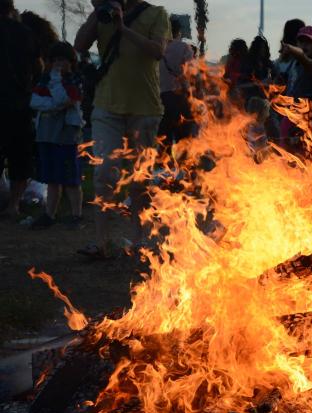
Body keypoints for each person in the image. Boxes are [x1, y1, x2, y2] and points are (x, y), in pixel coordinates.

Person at [74, 0, 171, 259]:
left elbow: (157, 51)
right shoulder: (103, 14)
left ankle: (141, 241)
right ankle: (101, 242)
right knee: (105, 172)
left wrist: (123, 27)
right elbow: (80, 45)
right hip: (107, 105)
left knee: (141, 179)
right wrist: (98, 12)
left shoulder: (156, 13)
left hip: (146, 108)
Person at [29, 41, 84, 229]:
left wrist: (55, 81)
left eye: (64, 60)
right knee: (51, 178)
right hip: (46, 134)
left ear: (71, 61)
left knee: (70, 178)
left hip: (66, 136)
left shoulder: (75, 80)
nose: (60, 64)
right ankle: (49, 214)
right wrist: (53, 106)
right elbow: (35, 101)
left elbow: (66, 99)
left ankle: (76, 215)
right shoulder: (43, 80)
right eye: (56, 60)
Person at [0, 0, 40, 219]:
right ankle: (13, 205)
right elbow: (37, 65)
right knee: (20, 157)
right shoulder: (24, 32)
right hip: (19, 101)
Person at [158, 16, 194, 144]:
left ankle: (164, 162)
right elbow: (190, 72)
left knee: (163, 136)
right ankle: (182, 162)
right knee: (184, 138)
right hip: (181, 98)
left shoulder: (157, 48)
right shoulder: (185, 48)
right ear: (179, 31)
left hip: (161, 97)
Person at [240, 35, 275, 100]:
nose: (263, 50)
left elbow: (275, 79)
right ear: (256, 49)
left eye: (264, 48)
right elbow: (241, 85)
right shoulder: (248, 64)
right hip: (250, 98)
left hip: (265, 98)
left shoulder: (268, 64)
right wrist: (258, 83)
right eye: (261, 48)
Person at [245, 96, 271, 164]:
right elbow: (253, 138)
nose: (268, 114)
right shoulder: (255, 127)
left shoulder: (258, 125)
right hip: (260, 159)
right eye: (266, 111)